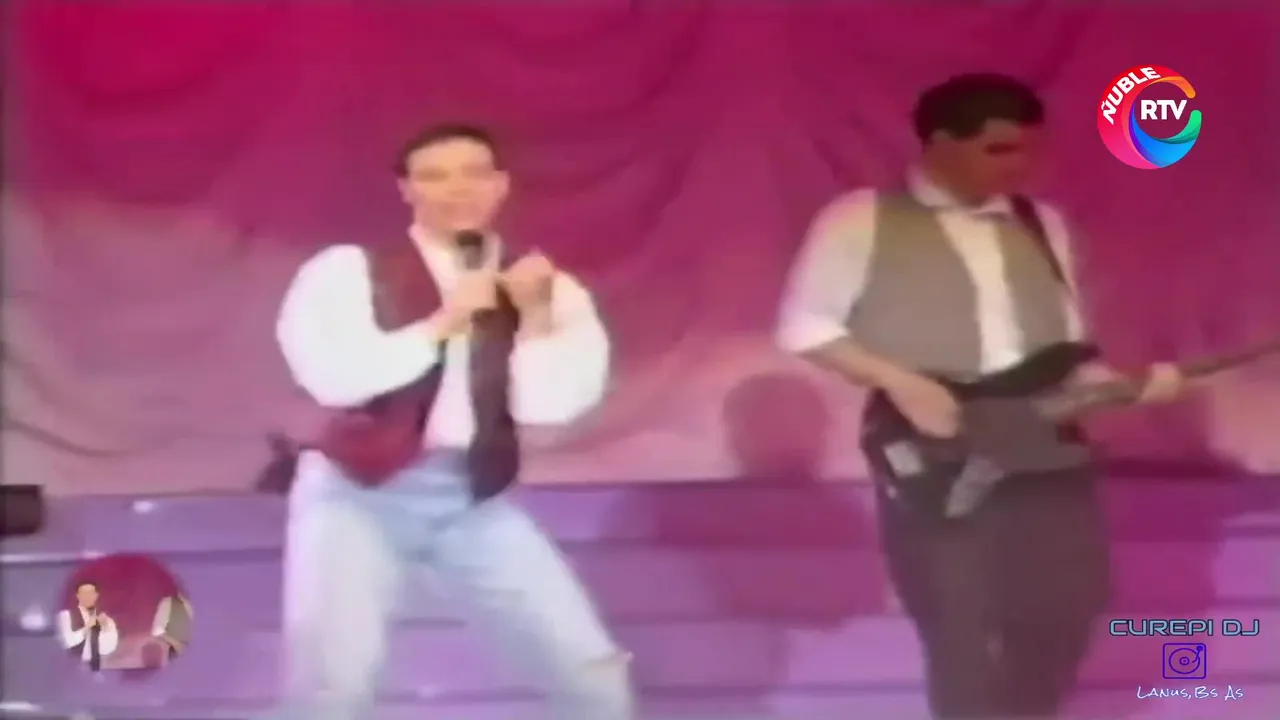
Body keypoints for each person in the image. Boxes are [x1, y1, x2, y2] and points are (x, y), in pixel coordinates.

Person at [776, 74, 1185, 718]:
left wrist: (1120, 386)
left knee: (1070, 606)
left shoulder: (1043, 223)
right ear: (941, 143)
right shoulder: (862, 217)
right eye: (998, 149)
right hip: (933, 440)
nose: (1017, 165)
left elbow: (1068, 348)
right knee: (958, 624)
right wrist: (902, 382)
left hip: (1042, 439)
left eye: (1026, 149)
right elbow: (805, 327)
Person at [271, 123, 632, 720]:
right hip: (358, 493)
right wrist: (443, 322)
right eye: (434, 176)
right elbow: (333, 377)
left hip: (471, 495)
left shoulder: (546, 286)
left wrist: (537, 318)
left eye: (472, 174)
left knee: (590, 675)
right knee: (332, 690)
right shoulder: (350, 270)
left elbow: (554, 405)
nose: (456, 189)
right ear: (406, 190)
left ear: (500, 185)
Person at [55, 582, 118, 671]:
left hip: (100, 668)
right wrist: (87, 627)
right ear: (77, 596)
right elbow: (68, 642)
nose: (87, 596)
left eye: (91, 593)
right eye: (84, 593)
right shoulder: (66, 616)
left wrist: (105, 628)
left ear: (96, 595)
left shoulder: (106, 620)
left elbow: (110, 647)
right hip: (71, 668)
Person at [149, 594, 194, 659]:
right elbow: (157, 631)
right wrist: (175, 643)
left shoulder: (191, 607)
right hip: (173, 653)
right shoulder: (168, 603)